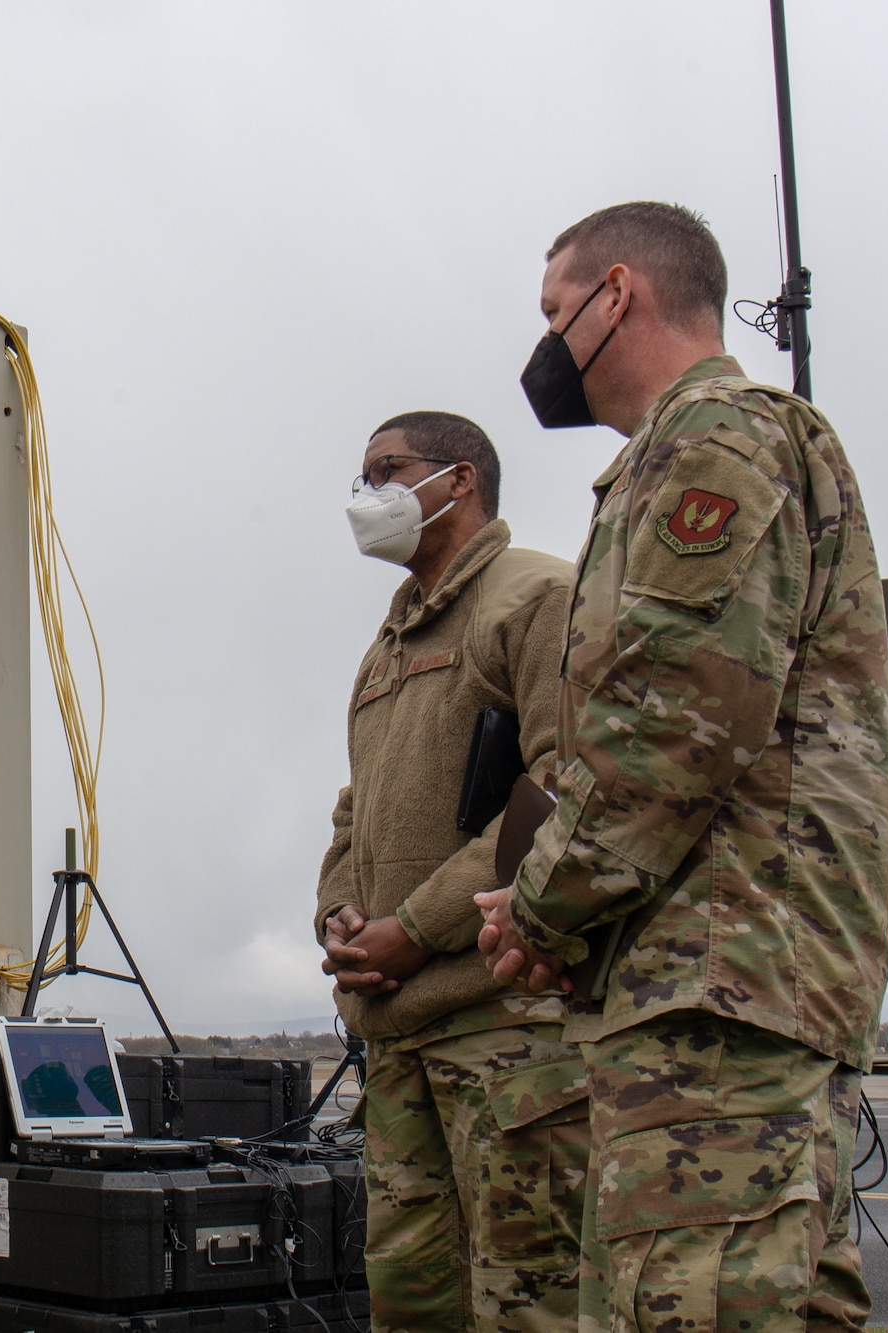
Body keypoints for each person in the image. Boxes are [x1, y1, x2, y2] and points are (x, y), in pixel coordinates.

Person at [477, 201, 888, 1331]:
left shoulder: (713, 438)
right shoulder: (678, 454)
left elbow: (670, 731)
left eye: (555, 312)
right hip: (722, 976)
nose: (546, 344)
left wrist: (539, 910)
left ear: (617, 295)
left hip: (716, 979)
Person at [316, 411, 584, 1333]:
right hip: (399, 1037)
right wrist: (341, 924)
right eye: (362, 479)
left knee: (531, 1298)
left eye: (386, 472)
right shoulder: (385, 647)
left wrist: (416, 929)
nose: (369, 498)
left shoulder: (538, 595)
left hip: (503, 1025)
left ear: (460, 479)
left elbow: (559, 787)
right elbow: (356, 810)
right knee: (413, 1302)